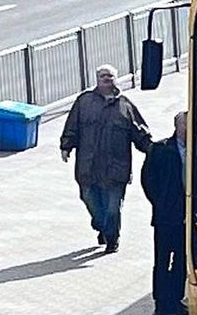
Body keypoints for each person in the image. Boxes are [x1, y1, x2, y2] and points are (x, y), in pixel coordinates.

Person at [60, 65, 152, 252]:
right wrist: (66, 146)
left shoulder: (125, 106)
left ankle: (112, 239)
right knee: (90, 200)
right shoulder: (84, 102)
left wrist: (153, 150)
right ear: (97, 79)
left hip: (116, 169)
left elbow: (140, 133)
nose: (106, 79)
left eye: (110, 76)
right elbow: (72, 126)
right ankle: (102, 226)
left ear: (116, 80)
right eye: (102, 76)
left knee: (112, 208)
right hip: (88, 167)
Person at [140, 110, 188, 315]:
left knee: (181, 260)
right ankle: (161, 303)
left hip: (190, 216)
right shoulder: (160, 150)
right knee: (162, 259)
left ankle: (176, 300)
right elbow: (148, 179)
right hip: (166, 215)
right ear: (176, 127)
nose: (188, 129)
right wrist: (159, 202)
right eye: (185, 125)